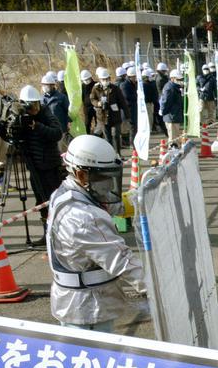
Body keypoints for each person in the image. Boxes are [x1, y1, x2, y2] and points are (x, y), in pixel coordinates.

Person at [47, 134, 145, 332]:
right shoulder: (82, 218)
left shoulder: (69, 193)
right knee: (92, 350)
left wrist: (149, 194)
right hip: (88, 307)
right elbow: (122, 262)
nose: (108, 183)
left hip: (82, 301)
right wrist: (163, 289)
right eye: (102, 177)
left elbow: (112, 205)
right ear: (81, 174)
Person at [8, 85, 63, 244]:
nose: (34, 109)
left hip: (50, 165)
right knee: (40, 201)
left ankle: (59, 233)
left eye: (36, 105)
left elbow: (57, 133)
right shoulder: (20, 116)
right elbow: (12, 136)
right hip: (34, 165)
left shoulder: (46, 113)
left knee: (52, 200)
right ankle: (47, 234)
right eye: (31, 106)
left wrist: (37, 126)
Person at [89, 67, 128, 153]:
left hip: (115, 116)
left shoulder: (115, 88)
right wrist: (98, 103)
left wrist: (127, 115)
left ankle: (118, 153)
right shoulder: (96, 88)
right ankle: (110, 154)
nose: (105, 81)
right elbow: (92, 99)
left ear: (109, 78)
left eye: (106, 79)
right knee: (107, 138)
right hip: (102, 117)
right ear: (100, 79)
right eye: (103, 79)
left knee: (116, 135)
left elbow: (122, 102)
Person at [41, 71, 70, 151]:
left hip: (60, 128)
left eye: (46, 85)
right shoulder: (41, 99)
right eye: (43, 85)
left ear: (52, 85)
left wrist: (68, 122)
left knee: (60, 149)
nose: (44, 87)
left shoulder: (61, 97)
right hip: (47, 128)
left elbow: (68, 111)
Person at [159, 68, 184, 145]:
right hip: (171, 116)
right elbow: (165, 101)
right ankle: (173, 149)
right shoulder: (170, 88)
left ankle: (175, 148)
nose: (180, 80)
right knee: (173, 138)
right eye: (178, 79)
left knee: (175, 135)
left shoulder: (175, 87)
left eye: (180, 79)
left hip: (174, 115)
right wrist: (163, 110)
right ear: (172, 78)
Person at [121, 67, 139, 140]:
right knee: (131, 127)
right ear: (130, 77)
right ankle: (132, 142)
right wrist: (137, 96)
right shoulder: (124, 85)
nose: (135, 78)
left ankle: (134, 141)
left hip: (135, 107)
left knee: (134, 126)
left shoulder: (135, 84)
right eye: (134, 77)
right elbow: (126, 96)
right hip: (129, 108)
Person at [80, 69, 96, 134]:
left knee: (98, 123)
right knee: (87, 124)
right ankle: (87, 135)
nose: (86, 81)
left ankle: (99, 136)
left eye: (87, 79)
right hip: (87, 108)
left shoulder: (96, 85)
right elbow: (82, 97)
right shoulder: (82, 86)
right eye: (84, 80)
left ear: (90, 77)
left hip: (96, 107)